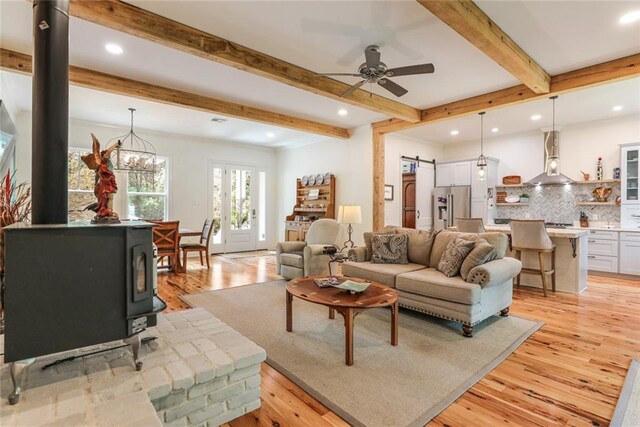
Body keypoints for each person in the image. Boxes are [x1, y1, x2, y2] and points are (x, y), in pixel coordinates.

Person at [81, 134, 120, 221]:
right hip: (107, 182)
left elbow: (97, 176)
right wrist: (116, 144)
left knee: (106, 198)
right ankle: (109, 211)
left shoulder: (101, 166)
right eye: (106, 154)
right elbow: (109, 151)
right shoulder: (104, 162)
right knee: (110, 197)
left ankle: (108, 211)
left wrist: (95, 184)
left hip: (106, 182)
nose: (108, 155)